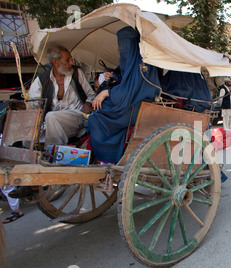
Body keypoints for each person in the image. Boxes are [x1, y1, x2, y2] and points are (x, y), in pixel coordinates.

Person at [88, 26, 161, 164]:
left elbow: (131, 90)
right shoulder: (132, 59)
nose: (121, 50)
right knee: (101, 109)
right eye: (119, 46)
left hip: (138, 106)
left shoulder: (142, 63)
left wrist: (106, 92)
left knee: (98, 117)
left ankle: (107, 157)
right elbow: (125, 77)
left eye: (123, 46)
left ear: (133, 45)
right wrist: (114, 75)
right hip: (129, 102)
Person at [28, 46, 96, 146]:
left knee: (51, 117)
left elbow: (91, 95)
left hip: (76, 116)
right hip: (53, 122)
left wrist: (87, 103)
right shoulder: (42, 79)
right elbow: (33, 104)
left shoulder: (77, 73)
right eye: (67, 60)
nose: (71, 63)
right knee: (28, 139)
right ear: (55, 62)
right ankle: (59, 150)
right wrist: (22, 105)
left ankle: (55, 154)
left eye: (71, 59)